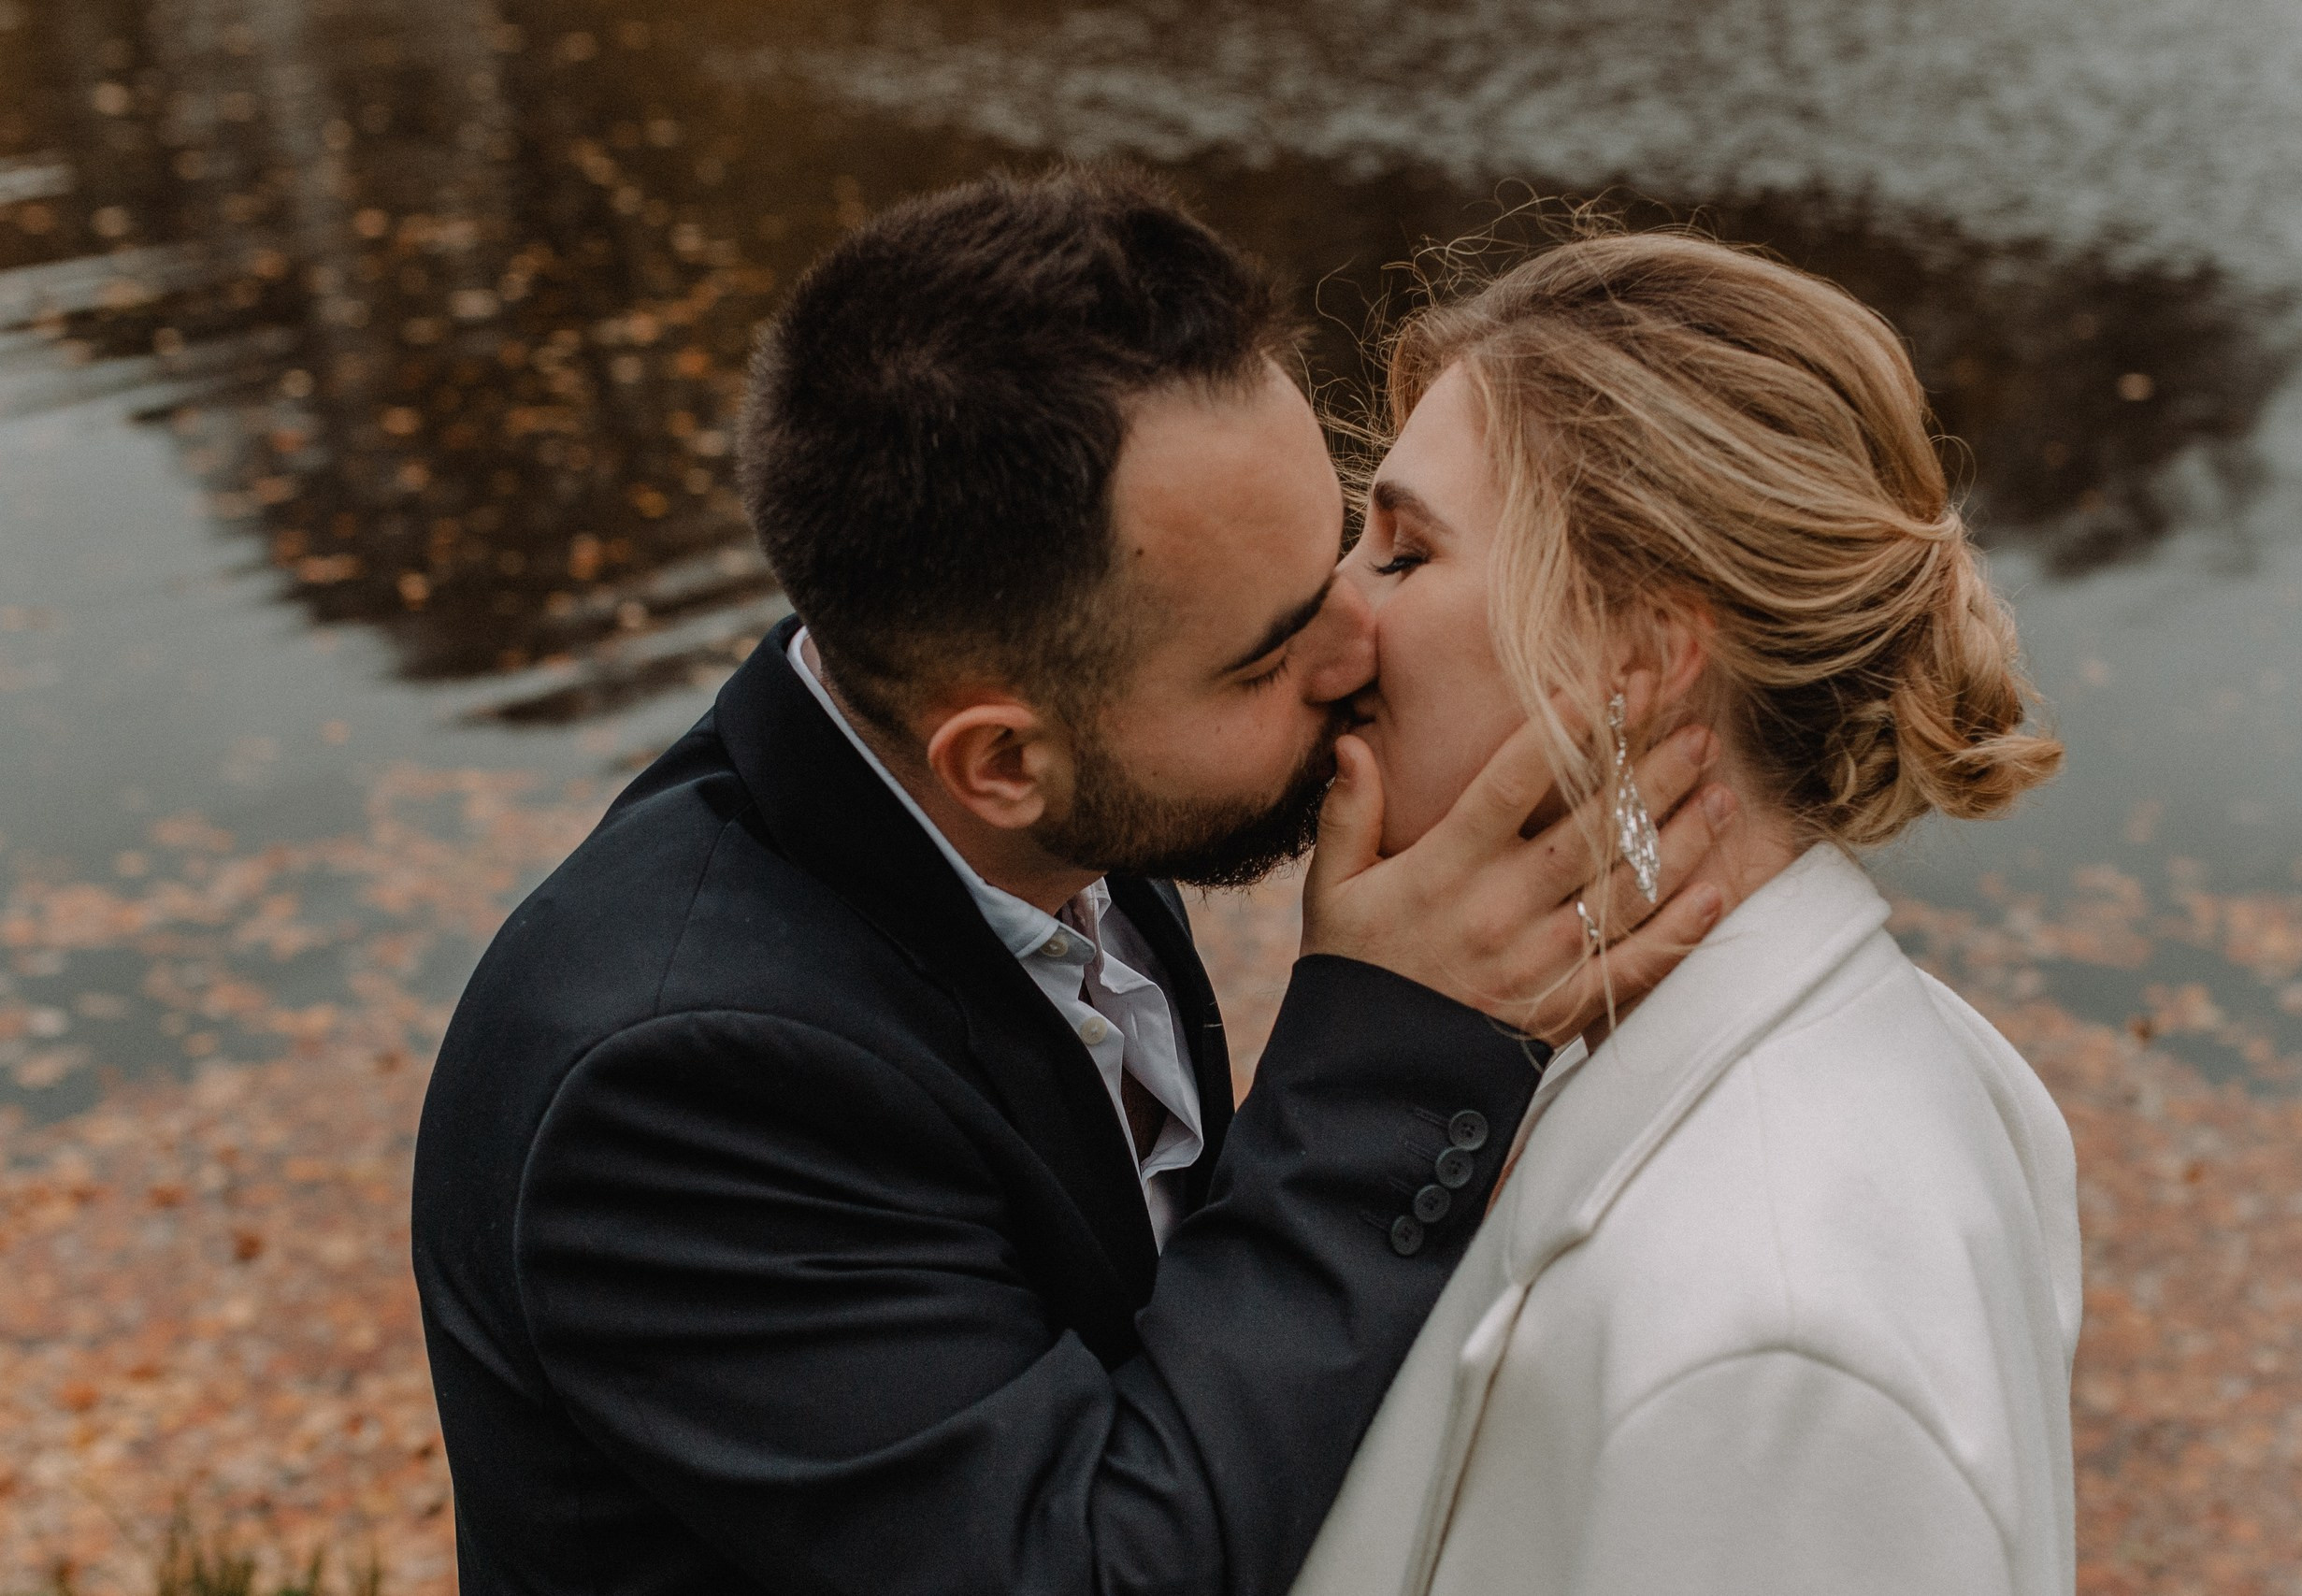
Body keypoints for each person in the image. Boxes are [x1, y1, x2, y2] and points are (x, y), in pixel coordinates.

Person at [409, 167, 1732, 1596]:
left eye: (1354, 543)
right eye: (1271, 651)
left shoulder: (1038, 825)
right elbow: (1096, 1569)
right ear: (1002, 762)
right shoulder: (677, 1091)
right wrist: (1386, 1049)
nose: (1362, 646)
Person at [1289, 227, 2080, 1596]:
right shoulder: (1662, 1028)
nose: (1328, 622)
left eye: (1405, 554)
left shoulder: (1767, 1342)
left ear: (1642, 656)